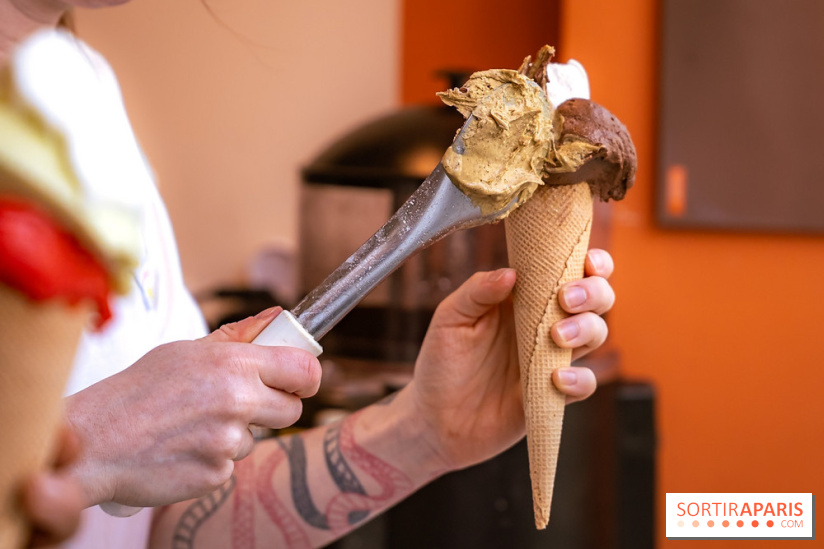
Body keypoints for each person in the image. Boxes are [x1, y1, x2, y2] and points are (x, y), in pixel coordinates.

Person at [2, 1, 616, 547]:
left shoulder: (77, 89)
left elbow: (161, 525)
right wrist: (95, 441)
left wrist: (423, 430)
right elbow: (112, 458)